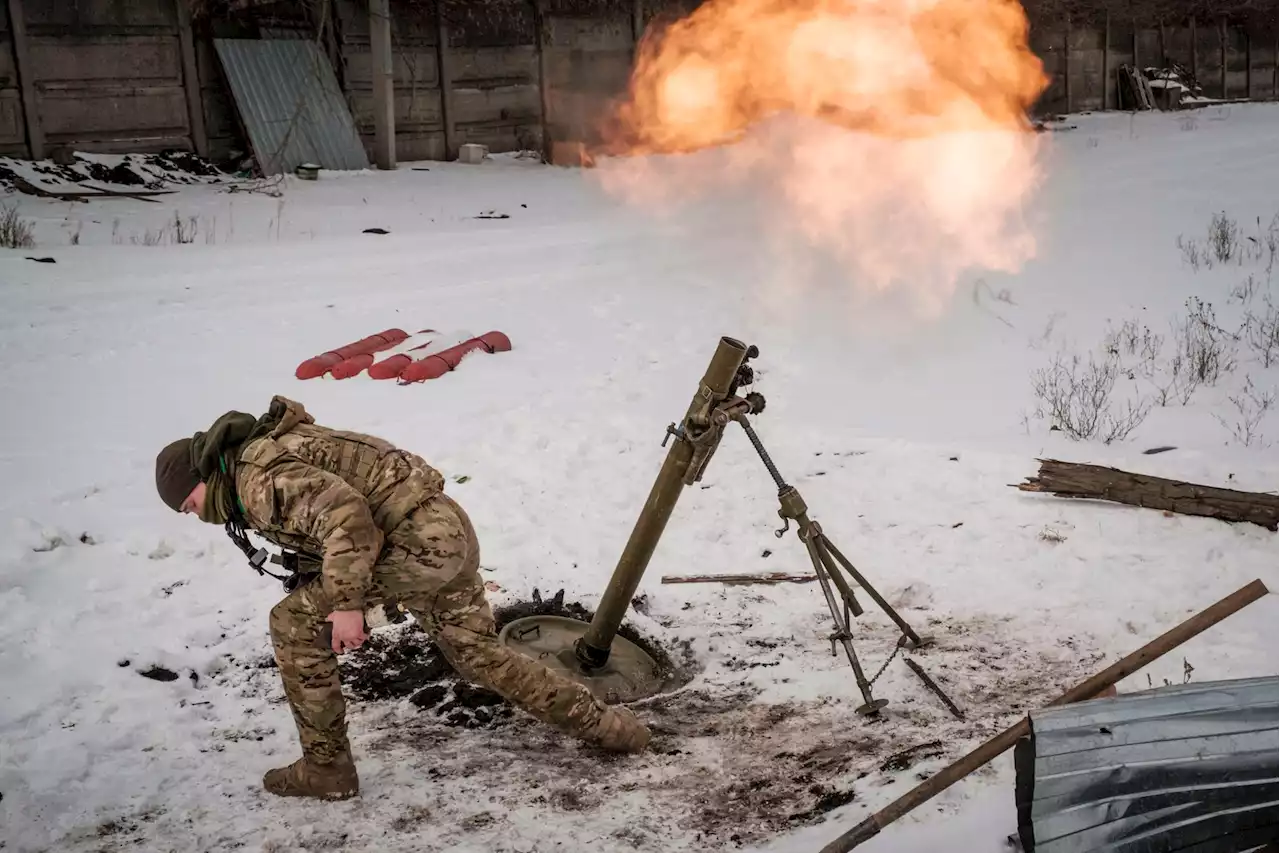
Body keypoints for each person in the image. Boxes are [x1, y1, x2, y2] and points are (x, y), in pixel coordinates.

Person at [154, 395, 650, 801]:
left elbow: (345, 515)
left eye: (187, 503)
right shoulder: (268, 451)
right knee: (481, 657)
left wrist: (347, 605)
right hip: (444, 531)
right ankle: (615, 731)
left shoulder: (257, 479)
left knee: (291, 625)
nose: (192, 513)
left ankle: (326, 769)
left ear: (201, 479)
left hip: (416, 546)